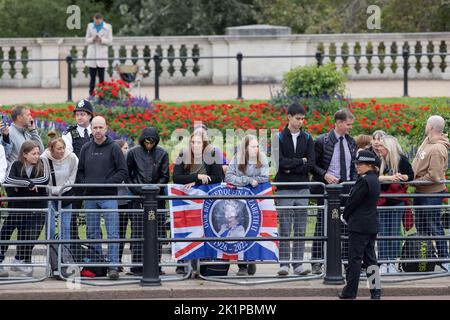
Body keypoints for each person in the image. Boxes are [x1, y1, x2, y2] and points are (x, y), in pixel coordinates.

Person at [76, 116, 128, 280]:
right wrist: (87, 184)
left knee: (112, 233)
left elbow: (122, 171)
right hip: (90, 198)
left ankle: (113, 267)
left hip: (108, 197)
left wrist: (106, 184)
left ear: (106, 128)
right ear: (91, 129)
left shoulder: (114, 148)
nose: (97, 130)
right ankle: (97, 266)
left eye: (100, 127)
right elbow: (80, 171)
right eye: (95, 127)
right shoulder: (85, 148)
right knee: (92, 233)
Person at [311, 108, 357, 275]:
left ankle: (345, 261)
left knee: (346, 226)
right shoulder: (321, 140)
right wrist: (325, 175)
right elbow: (312, 165)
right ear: (338, 123)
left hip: (346, 189)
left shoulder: (351, 141)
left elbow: (353, 166)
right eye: (348, 124)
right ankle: (316, 261)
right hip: (328, 190)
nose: (350, 127)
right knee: (321, 225)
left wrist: (352, 183)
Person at [173, 131, 223, 274]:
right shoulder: (183, 156)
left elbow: (217, 178)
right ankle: (182, 263)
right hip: (188, 202)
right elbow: (176, 177)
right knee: (187, 230)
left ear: (204, 144)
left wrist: (193, 180)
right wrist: (198, 176)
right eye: (193, 142)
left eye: (199, 142)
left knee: (205, 232)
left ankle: (204, 264)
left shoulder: (212, 156)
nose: (195, 145)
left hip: (206, 203)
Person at [274, 103, 315, 276]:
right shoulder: (279, 137)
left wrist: (292, 166)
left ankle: (298, 264)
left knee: (300, 227)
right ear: (289, 117)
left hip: (302, 188)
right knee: (284, 227)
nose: (301, 122)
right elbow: (279, 163)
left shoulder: (307, 138)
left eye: (303, 119)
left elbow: (311, 164)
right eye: (297, 118)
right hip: (285, 188)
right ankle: (284, 264)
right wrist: (300, 162)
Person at [0, 141, 50, 277]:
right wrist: (28, 183)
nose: (37, 156)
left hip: (38, 207)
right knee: (6, 232)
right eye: (33, 153)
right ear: (24, 154)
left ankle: (21, 260)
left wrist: (21, 184)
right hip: (18, 206)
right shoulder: (16, 165)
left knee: (31, 235)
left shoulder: (43, 162)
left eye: (38, 153)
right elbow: (9, 179)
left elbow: (45, 179)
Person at [339, 150, 381, 300]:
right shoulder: (374, 179)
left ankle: (350, 292)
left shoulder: (364, 180)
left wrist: (344, 215)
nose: (357, 166)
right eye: (357, 163)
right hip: (371, 224)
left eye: (360, 164)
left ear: (369, 165)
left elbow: (352, 201)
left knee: (355, 259)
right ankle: (375, 291)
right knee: (370, 259)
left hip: (359, 225)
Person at [127, 128, 169, 275]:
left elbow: (165, 176)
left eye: (152, 142)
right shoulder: (133, 153)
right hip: (138, 198)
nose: (149, 144)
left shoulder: (162, 153)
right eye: (146, 141)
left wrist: (154, 189)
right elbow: (128, 174)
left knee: (156, 233)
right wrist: (138, 190)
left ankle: (156, 265)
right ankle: (137, 266)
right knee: (138, 232)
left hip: (156, 198)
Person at [224, 134, 269, 276]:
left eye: (257, 146)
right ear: (246, 148)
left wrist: (249, 180)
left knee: (254, 229)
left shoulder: (262, 159)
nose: (256, 149)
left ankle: (251, 259)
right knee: (240, 230)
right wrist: (247, 180)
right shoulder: (237, 159)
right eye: (253, 146)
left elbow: (265, 177)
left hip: (256, 201)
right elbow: (229, 177)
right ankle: (242, 266)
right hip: (239, 201)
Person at [412, 115, 450, 272]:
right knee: (421, 226)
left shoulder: (437, 148)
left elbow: (434, 176)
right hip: (420, 192)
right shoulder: (428, 140)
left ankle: (444, 258)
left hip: (430, 193)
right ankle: (426, 256)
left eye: (427, 124)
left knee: (434, 226)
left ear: (431, 127)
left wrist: (413, 181)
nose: (425, 126)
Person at [376, 135, 414, 274]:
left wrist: (403, 177)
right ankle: (382, 262)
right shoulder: (377, 160)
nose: (378, 148)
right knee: (382, 233)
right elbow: (373, 177)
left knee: (394, 233)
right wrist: (389, 178)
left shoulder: (402, 160)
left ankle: (391, 262)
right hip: (381, 202)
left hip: (397, 201)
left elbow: (410, 175)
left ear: (388, 147)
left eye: (381, 146)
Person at [62, 99, 94, 241]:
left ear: (90, 116)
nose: (79, 117)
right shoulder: (69, 133)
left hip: (94, 180)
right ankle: (73, 246)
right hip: (75, 180)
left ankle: (93, 249)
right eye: (77, 114)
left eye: (83, 114)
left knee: (93, 214)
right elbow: (68, 155)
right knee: (73, 214)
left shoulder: (97, 131)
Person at [41, 135, 79, 240]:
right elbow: (44, 179)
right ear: (51, 149)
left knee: (66, 227)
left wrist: (61, 189)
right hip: (49, 194)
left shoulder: (72, 157)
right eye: (59, 148)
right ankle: (51, 254)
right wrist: (54, 190)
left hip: (66, 193)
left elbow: (72, 178)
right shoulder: (44, 158)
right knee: (51, 227)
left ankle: (65, 253)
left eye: (63, 147)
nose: (62, 151)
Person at [85, 13, 113, 96]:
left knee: (102, 78)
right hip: (92, 55)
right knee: (92, 77)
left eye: (98, 21)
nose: (96, 23)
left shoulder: (108, 27)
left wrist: (101, 39)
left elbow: (110, 41)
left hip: (102, 55)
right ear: (93, 19)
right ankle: (91, 94)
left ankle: (102, 95)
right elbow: (86, 40)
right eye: (95, 21)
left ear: (101, 19)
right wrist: (93, 39)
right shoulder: (90, 26)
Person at [115, 139, 130, 272]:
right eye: (125, 148)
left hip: (128, 200)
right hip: (120, 201)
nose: (127, 150)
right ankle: (117, 261)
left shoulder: (128, 161)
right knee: (120, 232)